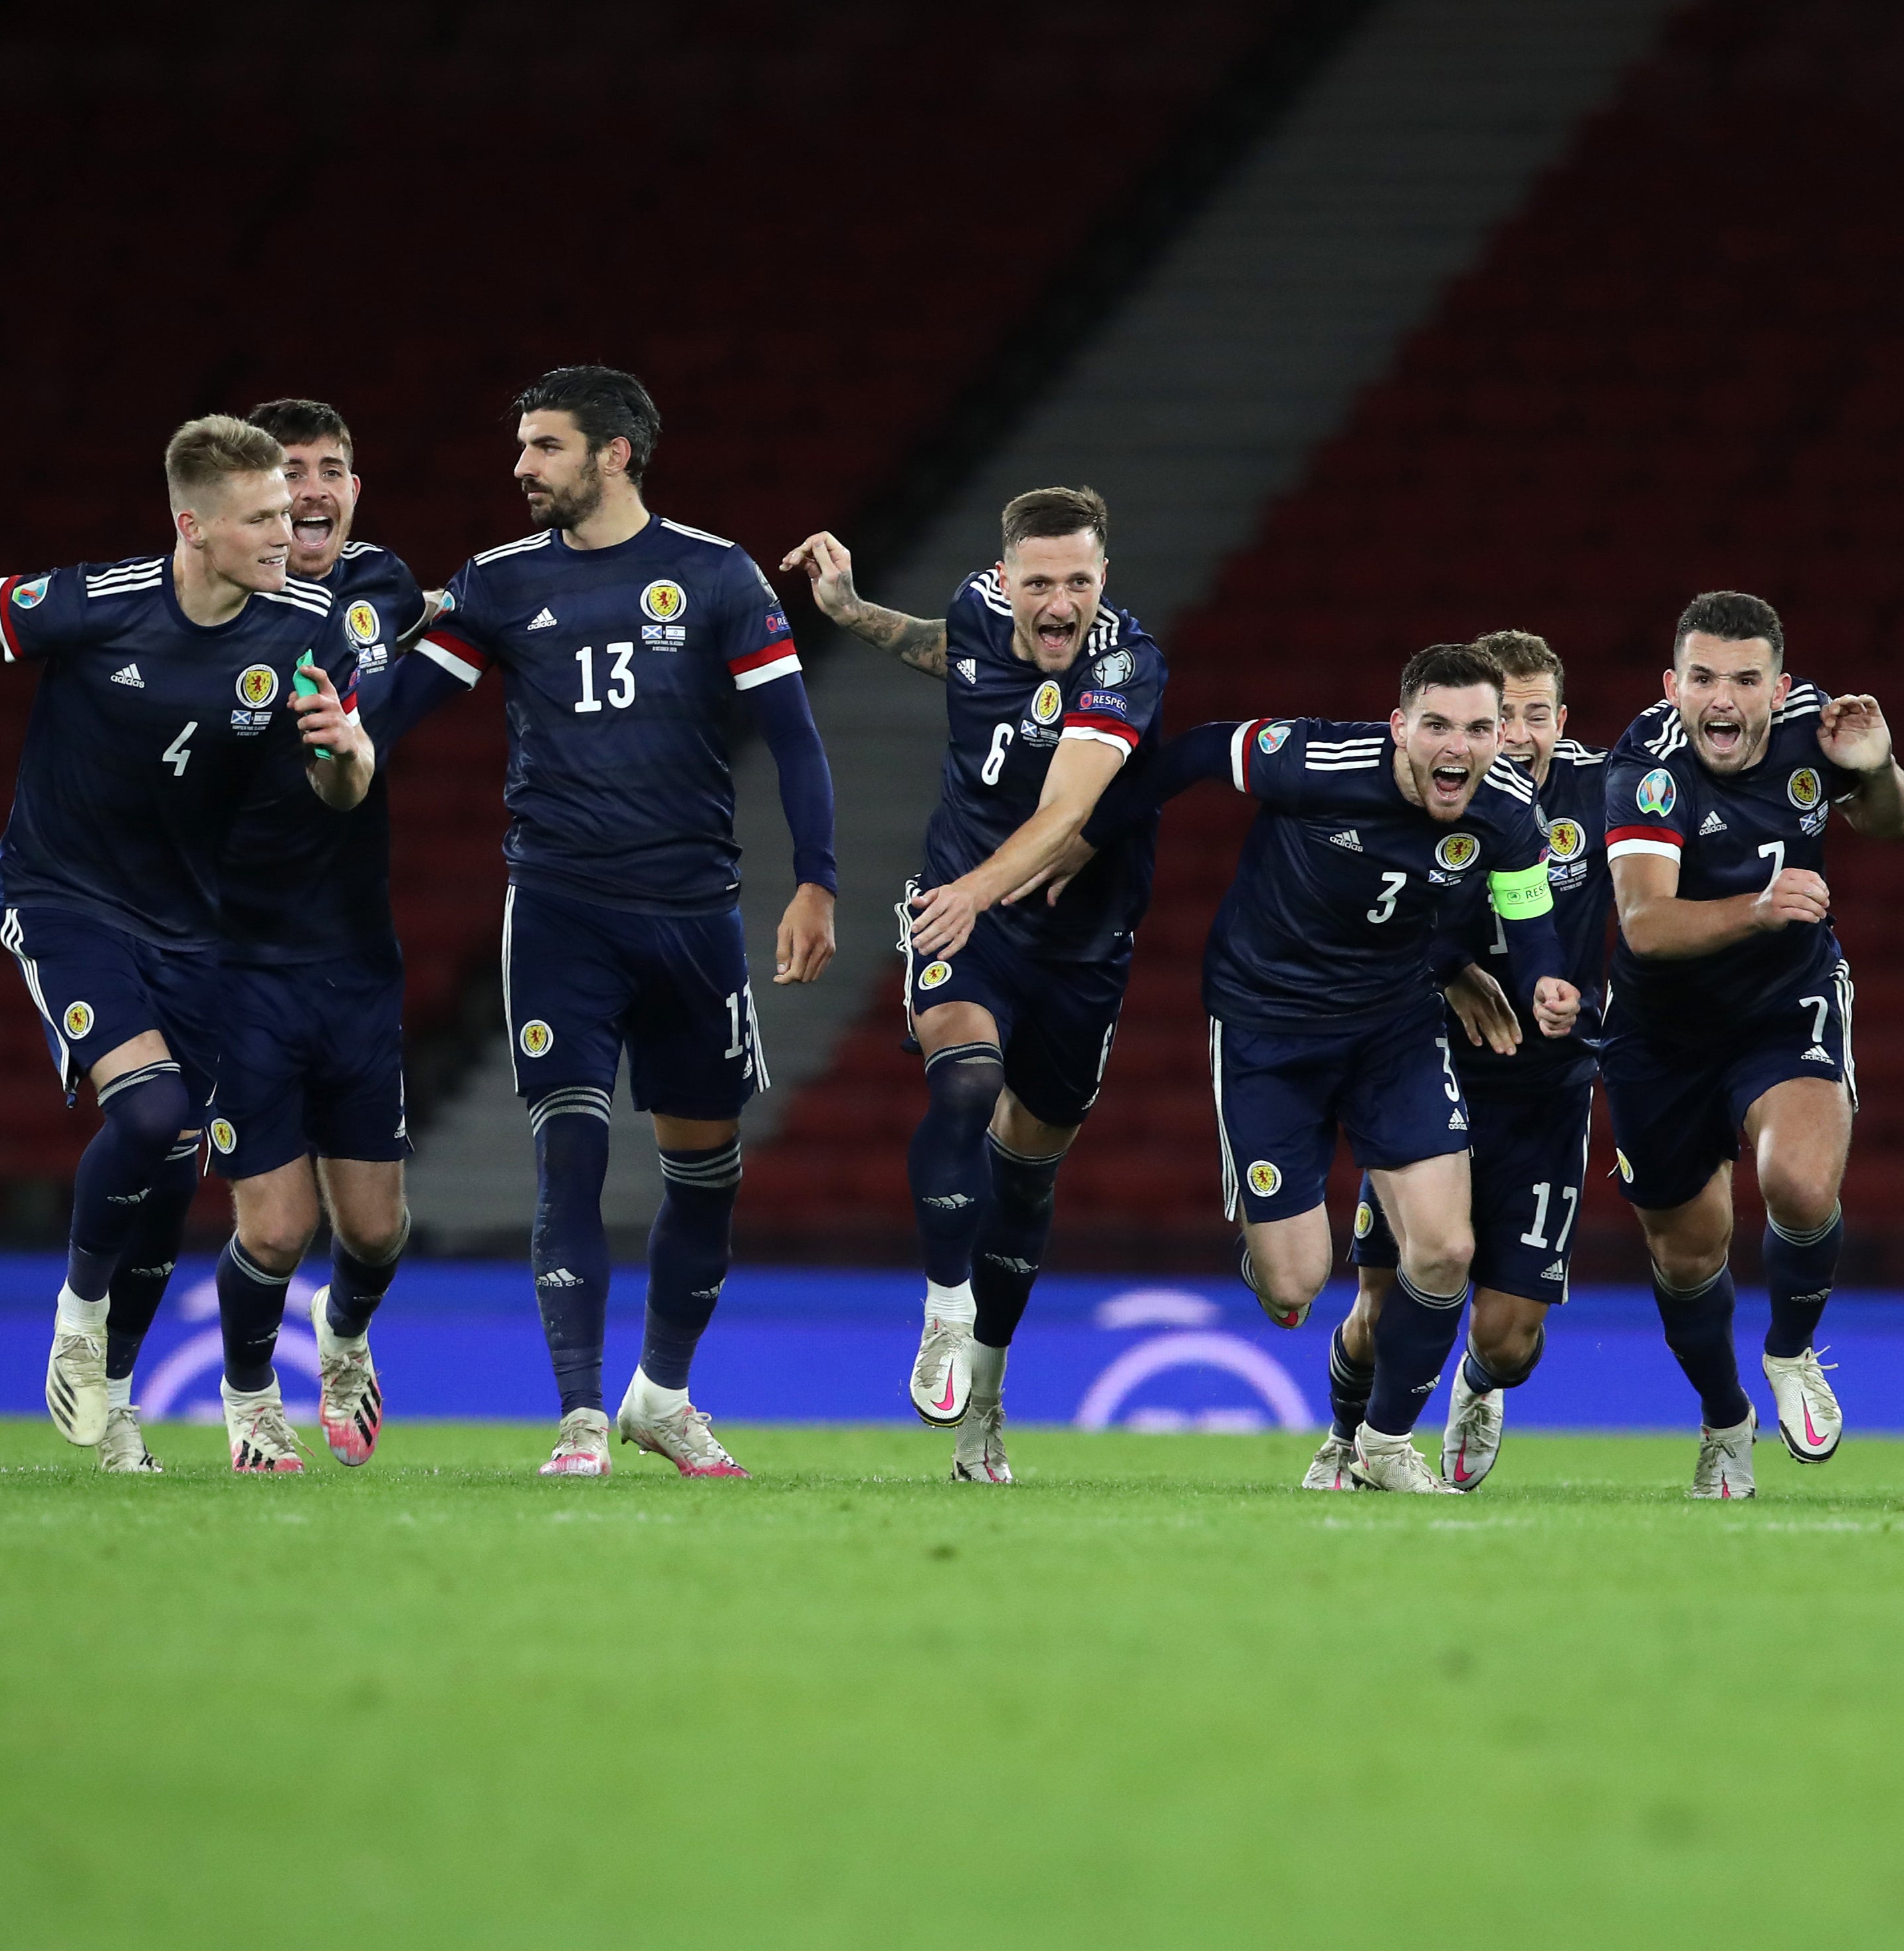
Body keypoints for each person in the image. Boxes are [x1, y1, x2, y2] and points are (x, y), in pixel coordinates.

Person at [0, 415, 368, 1472]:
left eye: (289, 510)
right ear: (195, 526)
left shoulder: (310, 625)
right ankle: (78, 1326)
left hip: (195, 925)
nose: (290, 527)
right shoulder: (101, 603)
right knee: (155, 1109)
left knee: (172, 1165)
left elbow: (337, 789)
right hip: (62, 896)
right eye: (262, 515)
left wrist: (347, 756)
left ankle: (116, 1394)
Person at [400, 366, 837, 1479]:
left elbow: (793, 737)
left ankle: (664, 1397)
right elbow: (394, 703)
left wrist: (816, 880)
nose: (520, 467)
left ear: (613, 454)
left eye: (543, 446)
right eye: (522, 445)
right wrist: (331, 720)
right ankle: (581, 1418)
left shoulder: (714, 574)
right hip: (559, 910)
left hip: (692, 913)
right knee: (569, 1154)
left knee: (705, 1169)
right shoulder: (495, 584)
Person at [1085, 642, 1579, 1492]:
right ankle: (1266, 1246)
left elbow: (1530, 922)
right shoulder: (1315, 760)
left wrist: (1545, 985)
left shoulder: (1507, 810)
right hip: (1268, 1026)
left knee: (1446, 1249)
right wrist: (1085, 839)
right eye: (1435, 727)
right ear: (1399, 728)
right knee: (1296, 1285)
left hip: (1393, 1027)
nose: (1455, 748)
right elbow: (1201, 750)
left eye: (1476, 729)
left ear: (1499, 737)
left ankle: (1384, 1445)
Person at [780, 489, 1164, 1485]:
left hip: (1079, 948)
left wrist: (977, 890)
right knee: (960, 1076)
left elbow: (1068, 806)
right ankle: (944, 1311)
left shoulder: (1128, 664)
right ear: (1005, 581)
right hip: (965, 917)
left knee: (1030, 1174)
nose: (1059, 601)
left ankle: (985, 1400)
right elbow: (947, 646)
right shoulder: (982, 611)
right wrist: (853, 608)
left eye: (1079, 581)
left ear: (1102, 581)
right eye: (1038, 581)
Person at [177, 398, 439, 1472]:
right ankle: (249, 1401)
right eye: (292, 473)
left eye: (332, 469)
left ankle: (343, 1337)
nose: (314, 489)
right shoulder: (204, 612)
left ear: (353, 491)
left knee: (375, 1232)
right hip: (238, 963)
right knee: (277, 1229)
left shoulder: (380, 591)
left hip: (353, 959)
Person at [1600, 591, 1904, 1498]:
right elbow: (1646, 923)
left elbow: (1887, 822)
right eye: (1701, 679)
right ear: (1673, 685)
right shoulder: (1644, 763)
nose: (1721, 700)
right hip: (1662, 1030)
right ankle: (1725, 1418)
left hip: (1786, 1001)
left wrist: (1881, 769)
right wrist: (1762, 907)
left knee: (1802, 1185)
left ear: (1779, 687)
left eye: (1744, 680)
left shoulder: (1819, 728)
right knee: (1688, 1255)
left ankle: (1792, 1350)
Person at [1330, 630, 1610, 1491]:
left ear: (1561, 723)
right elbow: (1363, 934)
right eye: (1504, 717)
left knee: (1508, 1338)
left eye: (1536, 716)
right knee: (1382, 1309)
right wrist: (1451, 972)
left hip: (1546, 1095)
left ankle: (1480, 1388)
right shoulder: (1420, 797)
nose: (1518, 735)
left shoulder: (1611, 792)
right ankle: (1346, 1442)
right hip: (1426, 1073)